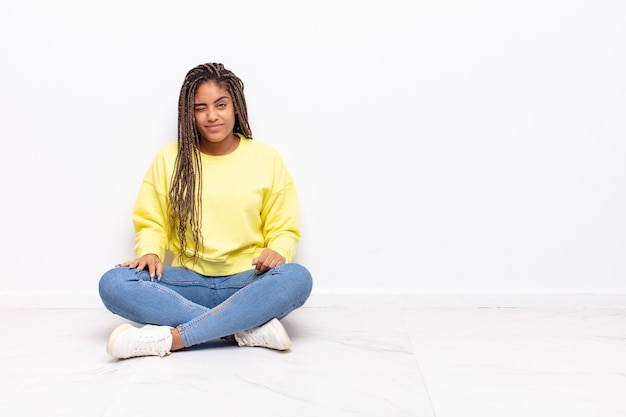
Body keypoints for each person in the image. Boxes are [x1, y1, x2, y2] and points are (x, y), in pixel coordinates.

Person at [98, 63, 313, 359]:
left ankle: (176, 339)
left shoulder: (265, 158)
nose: (212, 116)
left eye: (221, 105)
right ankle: (242, 328)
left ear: (236, 106)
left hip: (247, 281)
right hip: (187, 283)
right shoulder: (170, 158)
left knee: (298, 277)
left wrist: (278, 250)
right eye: (201, 108)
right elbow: (152, 222)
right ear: (190, 113)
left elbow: (283, 227)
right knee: (113, 282)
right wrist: (149, 252)